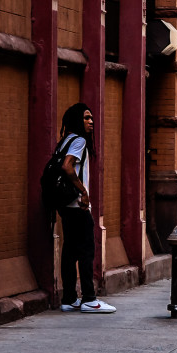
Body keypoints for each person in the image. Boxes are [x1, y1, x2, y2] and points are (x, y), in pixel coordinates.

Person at [57, 104, 115, 313]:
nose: (91, 122)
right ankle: (89, 299)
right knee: (86, 251)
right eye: (86, 118)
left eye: (91, 118)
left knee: (70, 252)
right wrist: (83, 192)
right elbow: (66, 166)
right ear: (76, 120)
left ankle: (69, 298)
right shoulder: (79, 141)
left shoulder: (64, 141)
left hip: (65, 206)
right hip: (77, 206)